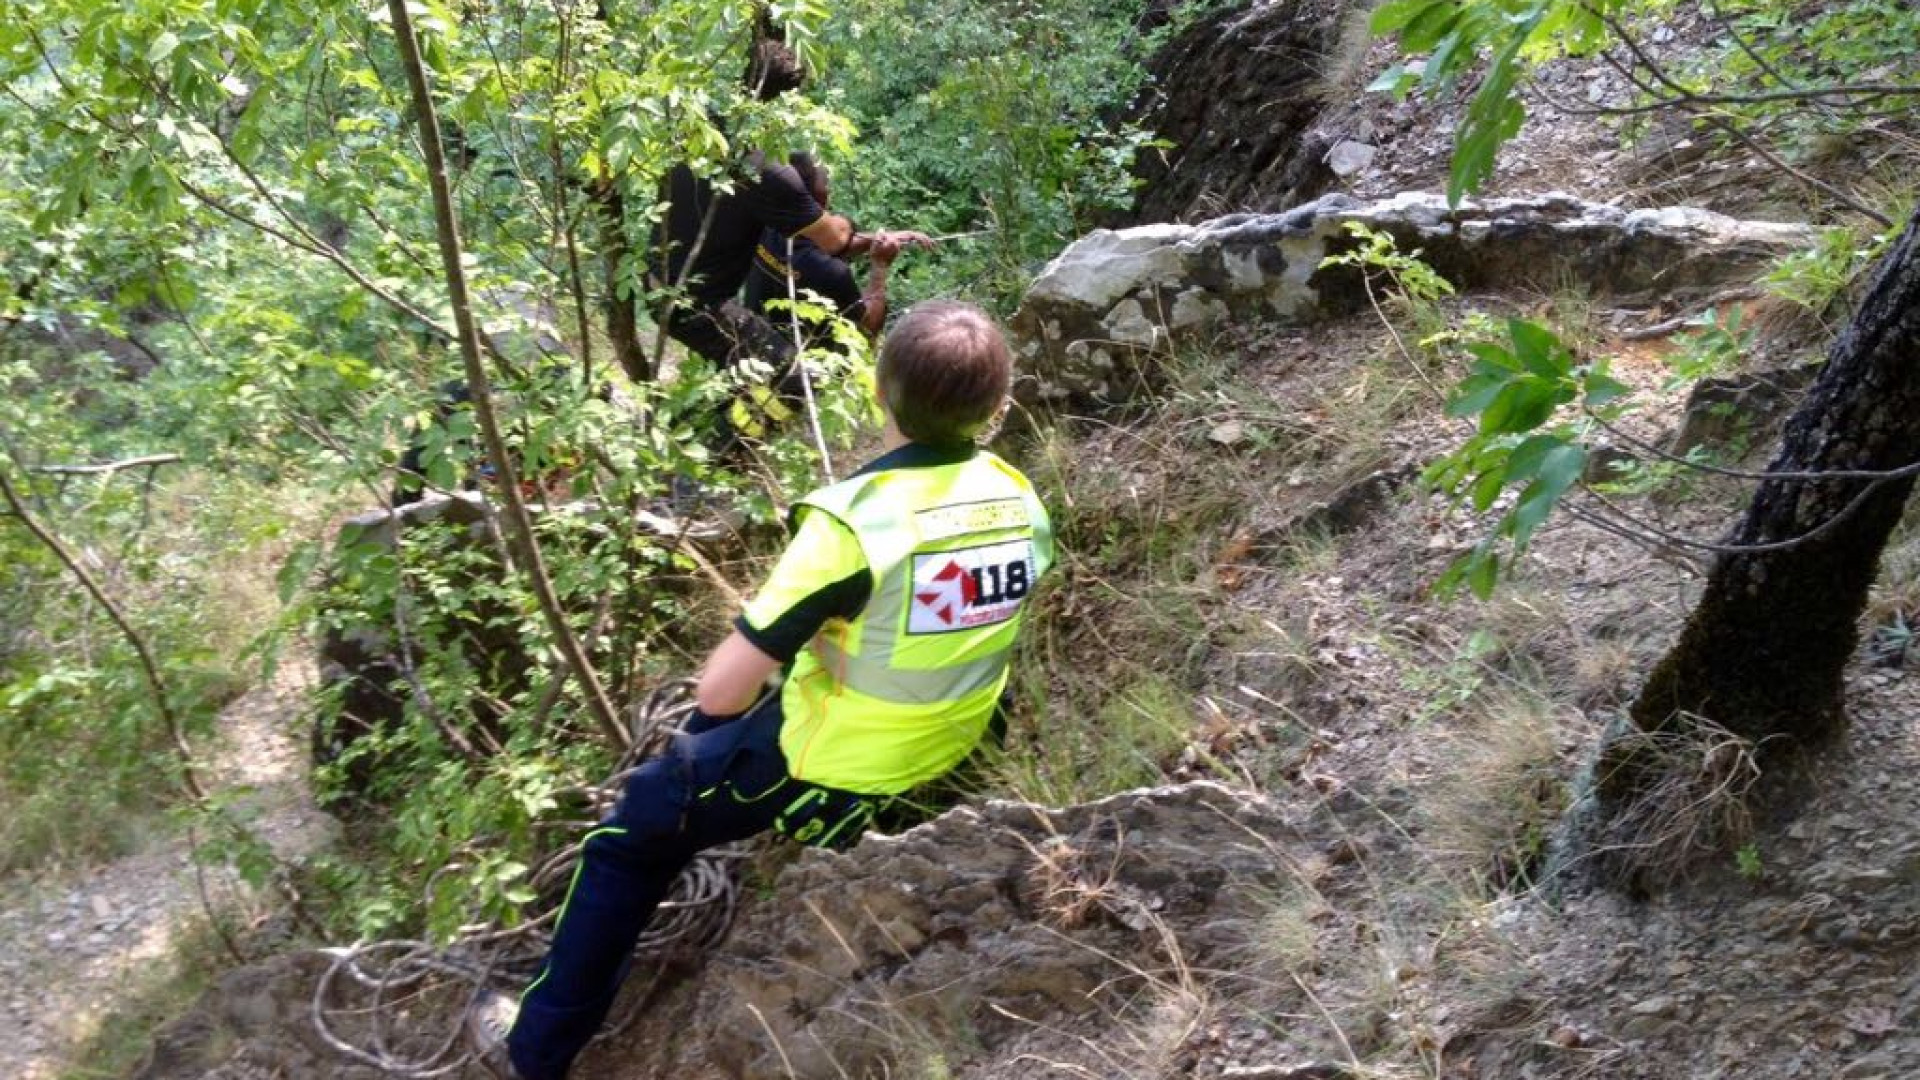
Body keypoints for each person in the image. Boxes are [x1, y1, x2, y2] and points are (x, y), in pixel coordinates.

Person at [467, 301, 1054, 1080]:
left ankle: (533, 1053)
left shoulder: (851, 526)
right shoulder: (1021, 498)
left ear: (879, 393)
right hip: (960, 745)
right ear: (999, 406)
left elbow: (721, 691)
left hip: (838, 766)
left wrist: (703, 747)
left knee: (627, 840)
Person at [744, 153, 933, 345]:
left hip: (749, 341)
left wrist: (875, 241)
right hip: (804, 368)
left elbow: (825, 244)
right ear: (822, 199)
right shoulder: (832, 273)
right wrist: (880, 266)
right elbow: (866, 331)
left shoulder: (763, 226)